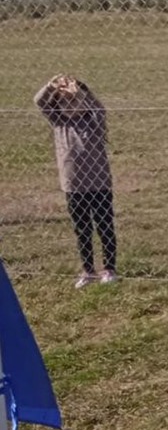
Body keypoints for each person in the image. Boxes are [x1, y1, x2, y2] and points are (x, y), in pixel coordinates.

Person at [34, 75, 117, 287]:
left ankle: (109, 268)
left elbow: (99, 107)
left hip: (99, 185)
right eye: (64, 103)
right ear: (58, 107)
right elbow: (39, 101)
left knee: (105, 225)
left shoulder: (94, 121)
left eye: (74, 100)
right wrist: (52, 85)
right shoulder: (60, 124)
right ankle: (88, 270)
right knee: (82, 229)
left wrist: (81, 90)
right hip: (73, 186)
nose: (70, 106)